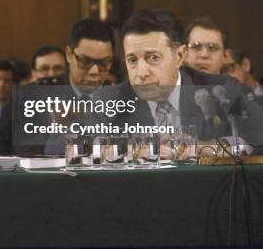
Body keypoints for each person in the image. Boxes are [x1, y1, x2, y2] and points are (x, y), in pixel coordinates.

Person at [94, 8, 263, 154]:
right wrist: (125, 148)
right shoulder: (111, 98)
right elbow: (73, 141)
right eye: (132, 60)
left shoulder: (220, 89)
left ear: (180, 56)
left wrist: (204, 148)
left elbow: (257, 135)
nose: (141, 73)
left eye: (153, 57)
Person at [40, 19, 115, 155]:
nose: (94, 71)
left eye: (104, 63)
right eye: (85, 61)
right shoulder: (39, 95)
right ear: (69, 55)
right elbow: (27, 159)